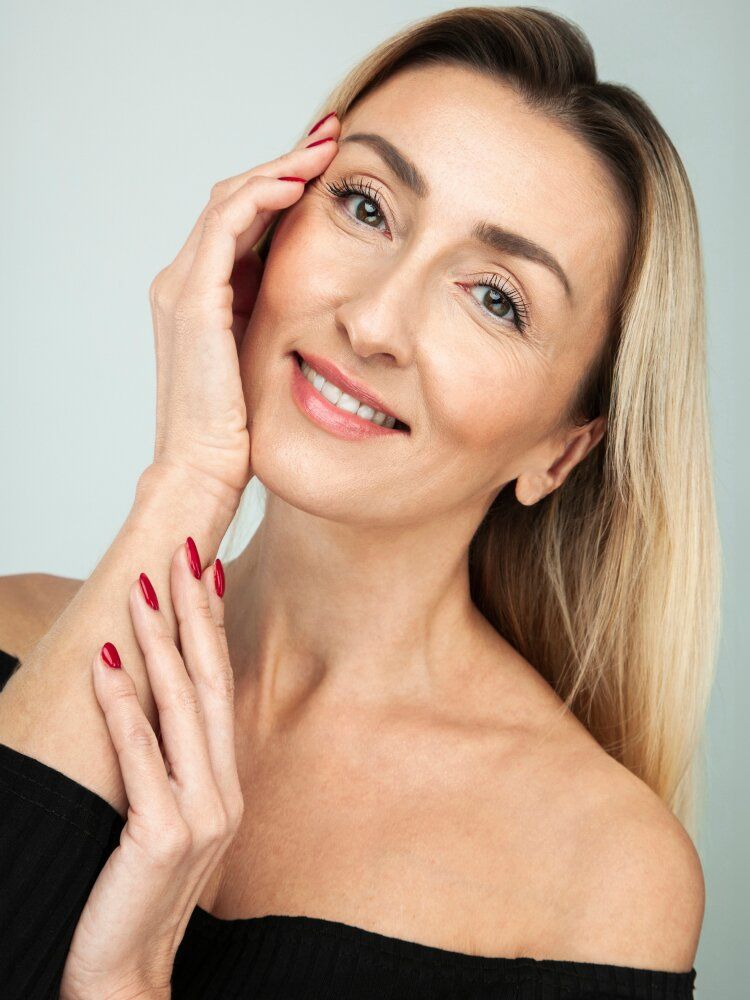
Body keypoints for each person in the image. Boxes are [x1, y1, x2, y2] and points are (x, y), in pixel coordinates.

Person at [0, 5, 720, 998]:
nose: (376, 320)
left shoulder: (602, 876)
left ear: (562, 450)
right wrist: (189, 480)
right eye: (368, 206)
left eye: (495, 297)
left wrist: (121, 978)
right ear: (265, 222)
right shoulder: (14, 636)